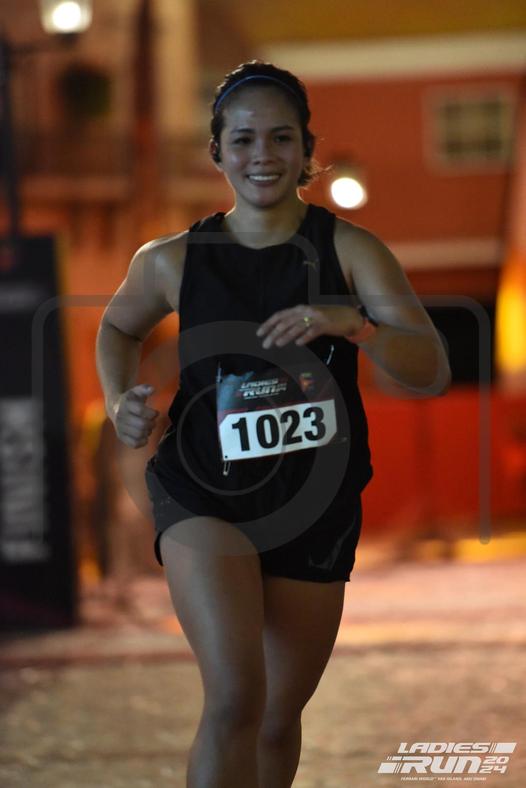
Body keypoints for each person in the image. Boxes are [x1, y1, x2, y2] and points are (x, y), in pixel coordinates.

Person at [96, 60, 451, 788]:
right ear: (218, 152)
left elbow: (430, 367)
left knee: (276, 718)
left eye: (282, 137)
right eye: (244, 138)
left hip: (314, 502)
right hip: (205, 491)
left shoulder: (351, 251)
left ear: (306, 150)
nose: (263, 154)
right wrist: (117, 397)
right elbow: (117, 327)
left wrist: (354, 324)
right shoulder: (172, 260)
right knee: (235, 697)